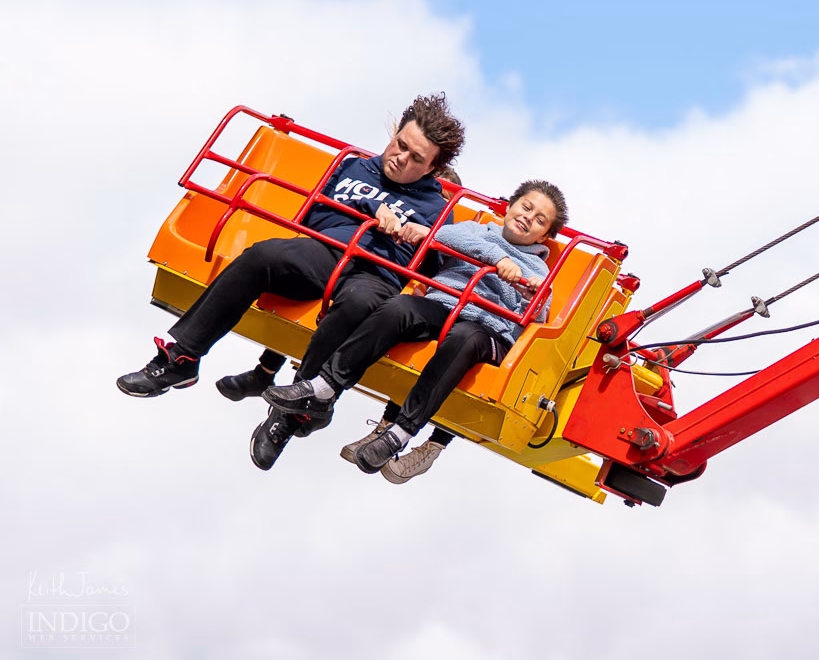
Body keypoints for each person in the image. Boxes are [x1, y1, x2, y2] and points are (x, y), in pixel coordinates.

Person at [115, 94, 466, 440]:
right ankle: (181, 358)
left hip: (375, 273)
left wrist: (418, 237)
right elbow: (316, 215)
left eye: (415, 157)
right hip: (327, 252)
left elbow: (428, 270)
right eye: (399, 144)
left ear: (432, 168)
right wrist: (367, 208)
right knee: (261, 256)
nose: (400, 158)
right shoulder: (355, 166)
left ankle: (294, 410)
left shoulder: (436, 207)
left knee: (359, 305)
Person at [258, 180, 569, 479]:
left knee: (463, 339)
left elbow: (535, 318)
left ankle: (400, 432)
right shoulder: (476, 231)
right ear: (510, 206)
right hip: (444, 305)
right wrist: (496, 258)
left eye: (539, 220)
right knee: (398, 308)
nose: (528, 218)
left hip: (484, 326)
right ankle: (325, 387)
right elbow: (445, 238)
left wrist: (530, 294)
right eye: (526, 207)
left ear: (544, 237)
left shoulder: (538, 270)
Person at [214, 165, 465, 403]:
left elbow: (434, 268)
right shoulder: (391, 201)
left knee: (353, 303)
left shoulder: (438, 223)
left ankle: (286, 386)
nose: (440, 205)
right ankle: (265, 372)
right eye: (437, 195)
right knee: (314, 284)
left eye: (446, 201)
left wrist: (423, 239)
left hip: (387, 281)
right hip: (346, 260)